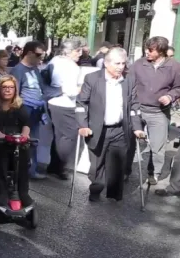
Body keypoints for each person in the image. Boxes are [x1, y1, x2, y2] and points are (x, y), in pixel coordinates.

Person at [76, 48, 145, 202]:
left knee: (118, 162)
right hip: (97, 129)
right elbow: (82, 104)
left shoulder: (129, 79)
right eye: (117, 63)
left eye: (123, 63)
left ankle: (114, 194)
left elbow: (134, 106)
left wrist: (137, 127)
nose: (121, 67)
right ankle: (96, 189)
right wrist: (83, 125)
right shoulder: (92, 78)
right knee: (96, 165)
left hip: (120, 129)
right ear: (106, 64)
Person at [131, 37, 180, 192]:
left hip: (158, 112)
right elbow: (128, 81)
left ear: (161, 51)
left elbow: (178, 87)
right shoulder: (139, 64)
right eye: (146, 48)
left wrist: (170, 96)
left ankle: (154, 173)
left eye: (151, 50)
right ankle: (124, 170)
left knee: (157, 146)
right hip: (137, 109)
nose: (147, 52)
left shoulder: (174, 66)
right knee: (128, 142)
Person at [0, 75, 32, 207]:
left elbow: (26, 123)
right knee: (1, 154)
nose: (8, 90)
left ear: (15, 90)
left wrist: (25, 134)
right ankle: (2, 192)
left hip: (17, 142)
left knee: (22, 155)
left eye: (11, 87)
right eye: (5, 87)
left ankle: (23, 192)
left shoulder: (20, 107)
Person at [42, 40, 83, 180]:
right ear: (70, 51)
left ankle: (54, 166)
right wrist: (80, 89)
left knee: (59, 136)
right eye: (78, 50)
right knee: (69, 136)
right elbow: (71, 91)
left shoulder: (54, 60)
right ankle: (60, 166)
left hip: (52, 102)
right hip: (65, 104)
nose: (80, 53)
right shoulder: (72, 67)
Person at [9, 41, 47, 179]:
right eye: (38, 55)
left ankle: (31, 170)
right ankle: (22, 171)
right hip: (25, 108)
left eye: (43, 55)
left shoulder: (35, 69)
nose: (41, 58)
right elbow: (15, 94)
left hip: (36, 108)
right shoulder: (17, 70)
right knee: (24, 140)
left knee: (33, 141)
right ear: (29, 53)